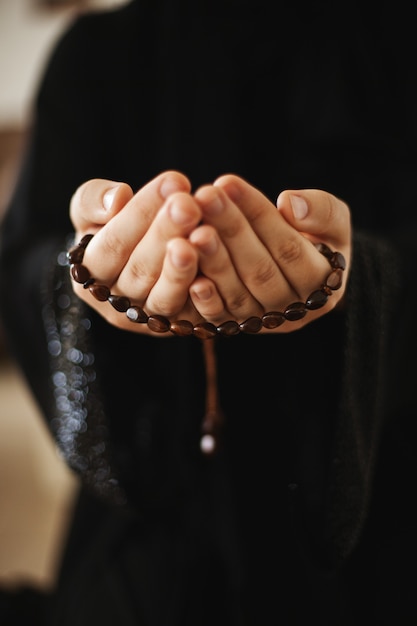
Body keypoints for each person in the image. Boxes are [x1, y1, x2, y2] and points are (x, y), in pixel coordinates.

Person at [0, 0, 417, 624]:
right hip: (150, 542)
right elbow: (25, 260)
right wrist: (87, 274)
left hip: (385, 529)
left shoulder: (397, 42)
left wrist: (366, 283)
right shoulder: (97, 54)